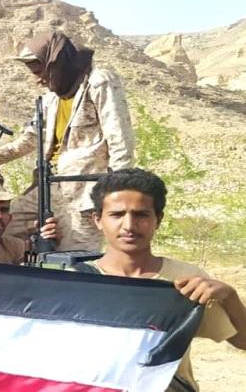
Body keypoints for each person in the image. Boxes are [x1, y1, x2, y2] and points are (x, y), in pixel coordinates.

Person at [83, 168, 245, 391]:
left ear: (158, 219)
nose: (129, 226)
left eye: (141, 215)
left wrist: (229, 296)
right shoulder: (75, 283)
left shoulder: (187, 280)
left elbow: (242, 341)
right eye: (117, 214)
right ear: (98, 219)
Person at [0, 31, 135, 251]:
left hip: (84, 191)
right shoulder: (51, 99)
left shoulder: (98, 83)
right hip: (48, 185)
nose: (37, 80)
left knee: (76, 256)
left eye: (39, 72)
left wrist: (117, 190)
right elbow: (31, 137)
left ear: (54, 65)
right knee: (3, 230)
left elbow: (120, 138)